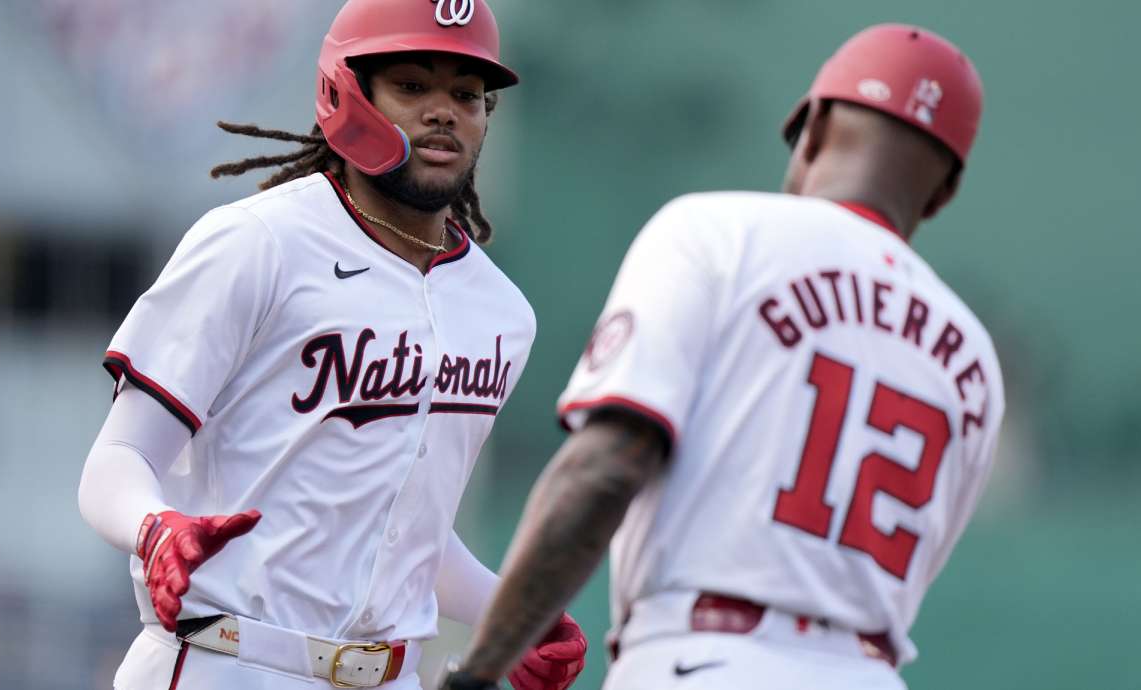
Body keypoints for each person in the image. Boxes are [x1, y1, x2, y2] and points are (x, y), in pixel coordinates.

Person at [440, 23, 1003, 690]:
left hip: (702, 661)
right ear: (942, 193)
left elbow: (605, 470)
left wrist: (477, 672)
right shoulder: (974, 358)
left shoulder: (718, 234)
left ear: (813, 128)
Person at [77, 1, 586, 688]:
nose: (444, 111)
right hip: (227, 660)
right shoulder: (257, 243)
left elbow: (410, 535)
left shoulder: (500, 313)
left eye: (466, 94)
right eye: (412, 85)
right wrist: (154, 527)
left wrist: (512, 613)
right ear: (344, 92)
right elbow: (116, 458)